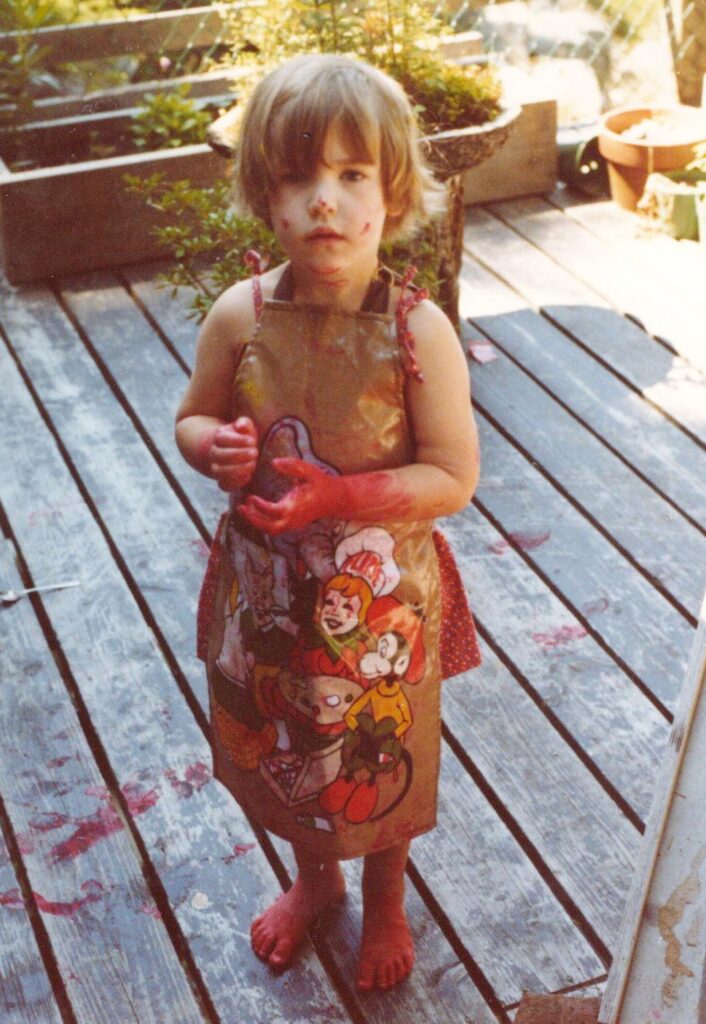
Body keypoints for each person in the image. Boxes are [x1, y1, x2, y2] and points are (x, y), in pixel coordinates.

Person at [175, 52, 482, 993]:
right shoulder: (241, 316)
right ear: (264, 196)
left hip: (381, 610)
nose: (324, 200)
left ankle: (385, 896)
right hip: (272, 598)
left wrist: (340, 497)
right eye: (298, 177)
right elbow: (191, 420)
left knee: (380, 753)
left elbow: (453, 476)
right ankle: (317, 881)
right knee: (287, 747)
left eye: (352, 175)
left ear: (393, 194)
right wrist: (217, 449)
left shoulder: (415, 332)